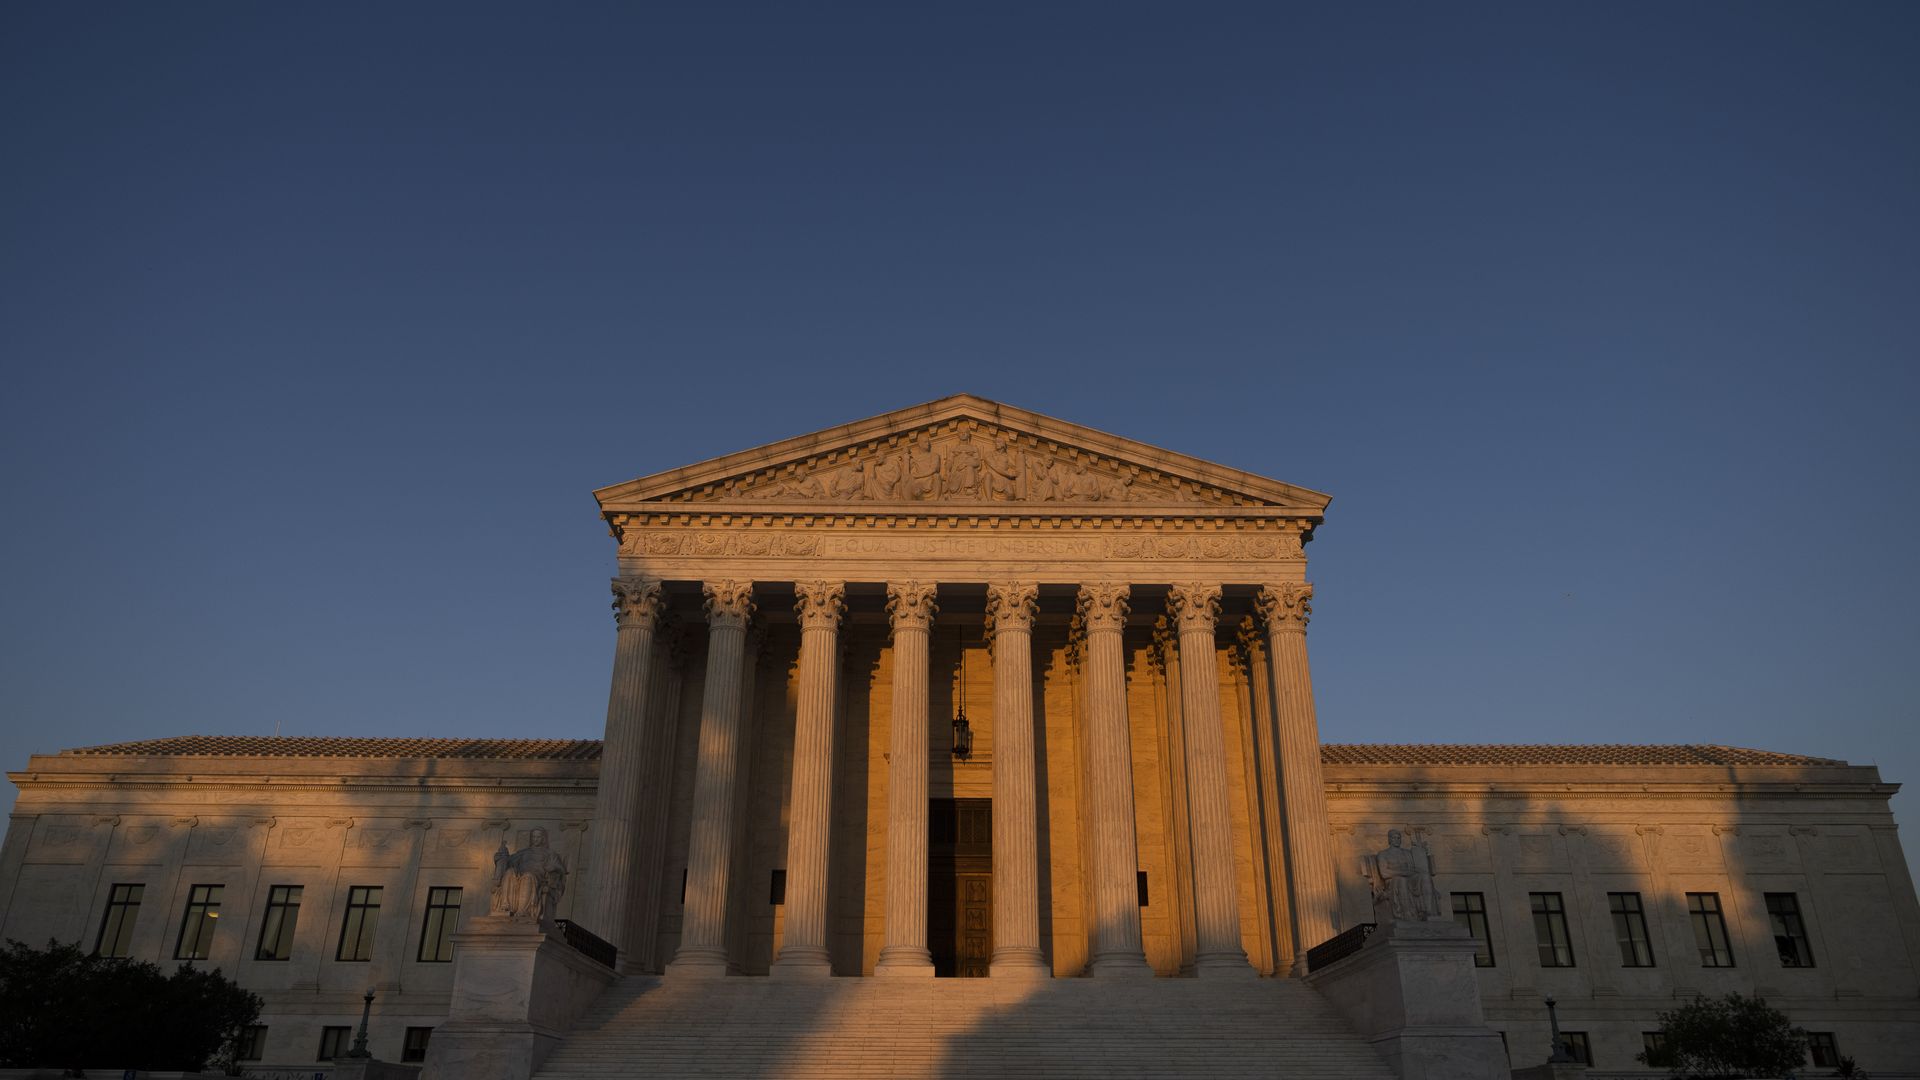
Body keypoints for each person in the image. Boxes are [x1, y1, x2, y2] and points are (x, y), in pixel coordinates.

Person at [491, 827, 569, 923]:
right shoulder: (524, 852)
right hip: (520, 874)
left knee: (528, 876)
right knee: (509, 873)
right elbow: (509, 861)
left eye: (538, 837)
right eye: (534, 837)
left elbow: (560, 869)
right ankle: (506, 906)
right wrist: (502, 856)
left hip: (537, 877)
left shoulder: (550, 854)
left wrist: (553, 868)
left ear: (543, 838)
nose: (535, 839)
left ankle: (524, 911)